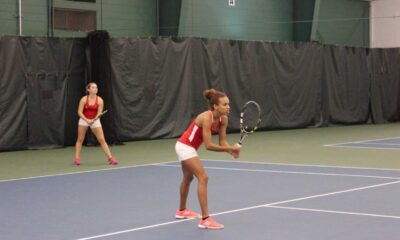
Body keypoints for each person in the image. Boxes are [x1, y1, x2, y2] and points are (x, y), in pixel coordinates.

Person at [174, 88, 241, 229]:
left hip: (188, 147)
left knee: (188, 178)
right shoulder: (206, 117)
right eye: (224, 104)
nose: (228, 107)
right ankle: (205, 219)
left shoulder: (224, 119)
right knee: (203, 178)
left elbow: (222, 142)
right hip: (184, 146)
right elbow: (209, 145)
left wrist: (231, 152)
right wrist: (231, 148)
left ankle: (181, 211)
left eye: (228, 104)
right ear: (215, 106)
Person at [74, 82, 118, 165]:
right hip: (84, 119)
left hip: (95, 121)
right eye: (93, 87)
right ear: (88, 89)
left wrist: (94, 119)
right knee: (80, 140)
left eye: (96, 87)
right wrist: (87, 120)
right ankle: (77, 158)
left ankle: (110, 158)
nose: (95, 89)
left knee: (102, 140)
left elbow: (99, 113)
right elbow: (79, 112)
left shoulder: (100, 100)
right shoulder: (83, 99)